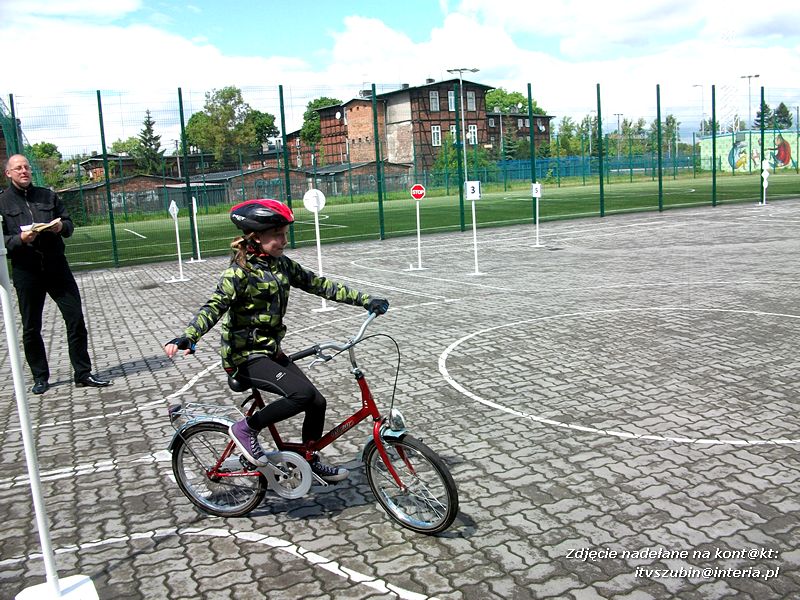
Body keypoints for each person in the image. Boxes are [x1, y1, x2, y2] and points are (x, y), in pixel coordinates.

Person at [164, 198, 389, 483]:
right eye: (277, 235)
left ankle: (309, 459)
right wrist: (189, 336)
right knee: (302, 395)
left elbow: (319, 285)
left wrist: (366, 300)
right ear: (256, 238)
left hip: (270, 352)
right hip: (244, 357)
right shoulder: (238, 273)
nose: (284, 240)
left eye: (285, 234)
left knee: (317, 402)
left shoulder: (281, 265)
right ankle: (246, 429)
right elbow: (214, 306)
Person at [0, 154, 111, 394]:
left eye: (26, 167)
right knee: (31, 327)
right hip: (26, 271)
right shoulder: (3, 202)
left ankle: (83, 373)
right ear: (8, 173)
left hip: (56, 267)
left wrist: (60, 226)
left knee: (75, 320)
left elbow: (69, 226)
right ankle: (40, 377)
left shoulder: (48, 195)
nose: (24, 171)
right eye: (18, 168)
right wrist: (19, 239)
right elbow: (3, 242)